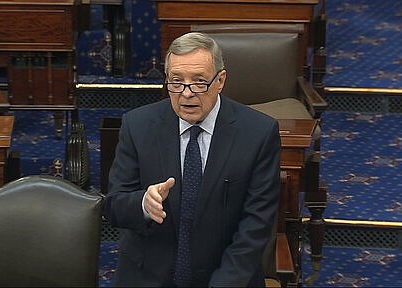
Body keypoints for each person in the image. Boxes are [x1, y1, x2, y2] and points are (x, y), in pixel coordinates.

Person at [103, 32, 280, 287]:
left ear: (220, 81)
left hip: (225, 278)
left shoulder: (258, 134)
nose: (186, 93)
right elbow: (114, 206)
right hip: (148, 277)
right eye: (176, 82)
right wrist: (143, 203)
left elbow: (255, 225)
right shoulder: (138, 125)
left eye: (199, 82)